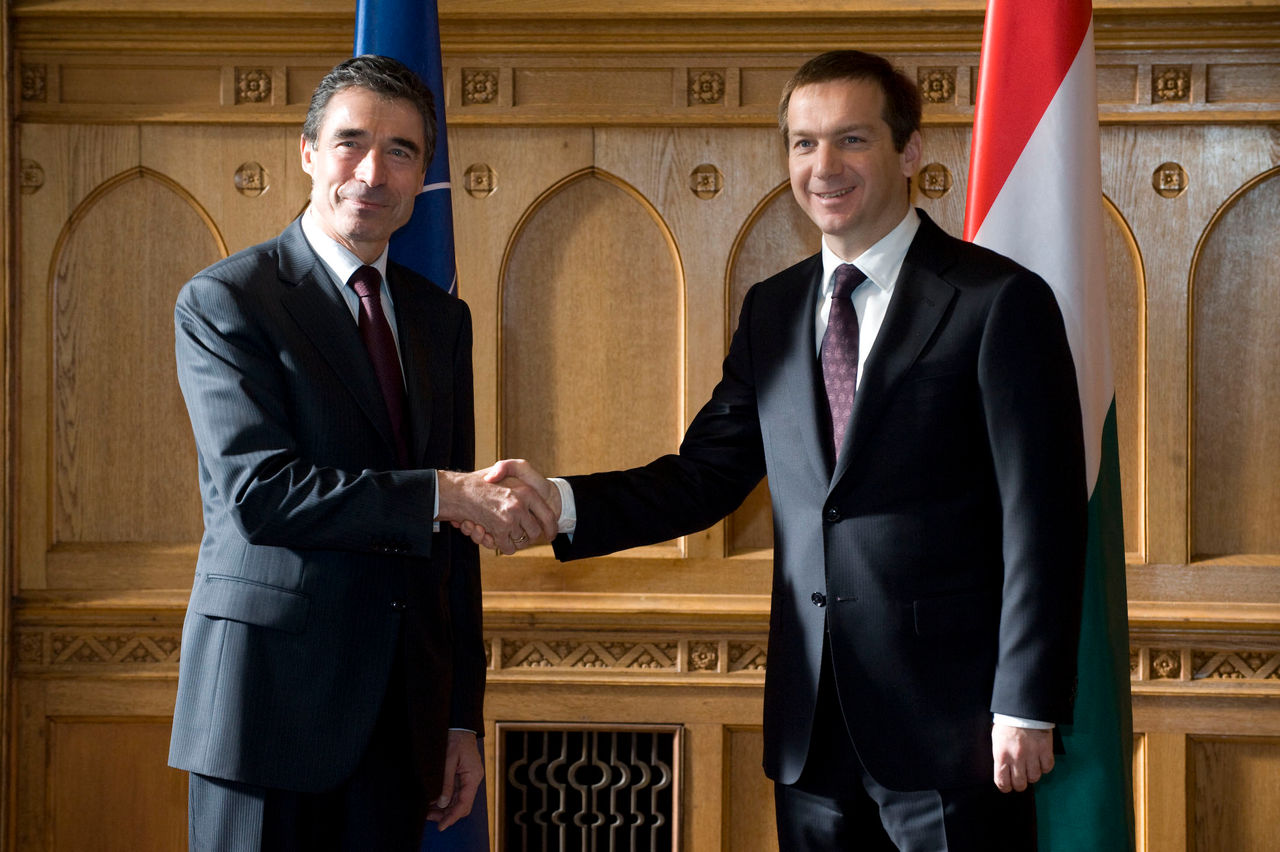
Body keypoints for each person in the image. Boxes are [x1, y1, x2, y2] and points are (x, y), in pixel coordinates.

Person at [473, 50, 1087, 851]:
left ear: (910, 152)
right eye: (803, 143)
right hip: (811, 729)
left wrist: (1026, 702)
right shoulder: (775, 308)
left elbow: (1042, 520)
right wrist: (561, 503)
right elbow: (705, 476)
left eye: (851, 140)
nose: (823, 166)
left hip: (956, 731)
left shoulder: (998, 302)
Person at [169, 54, 556, 851]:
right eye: (350, 143)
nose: (372, 172)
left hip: (399, 719)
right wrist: (440, 494)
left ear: (423, 177)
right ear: (308, 152)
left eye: (402, 152)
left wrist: (458, 717)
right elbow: (259, 493)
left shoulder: (438, 320)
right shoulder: (228, 300)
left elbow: (457, 537)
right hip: (265, 712)